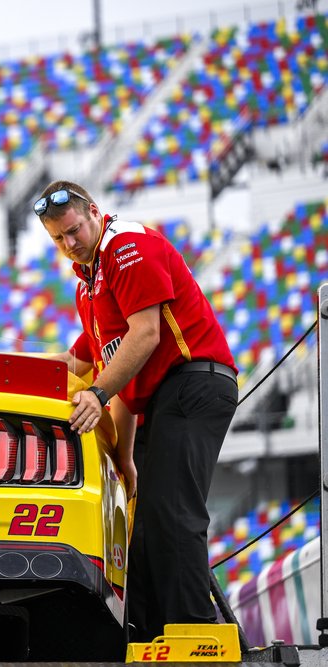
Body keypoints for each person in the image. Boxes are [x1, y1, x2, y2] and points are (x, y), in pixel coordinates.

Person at [35, 181, 238, 642]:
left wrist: (97, 394)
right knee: (141, 525)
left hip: (194, 381)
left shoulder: (125, 246)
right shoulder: (89, 286)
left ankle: (195, 633)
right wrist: (7, 368)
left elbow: (143, 337)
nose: (70, 243)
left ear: (93, 212)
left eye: (74, 229)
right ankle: (147, 634)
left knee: (172, 512)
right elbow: (81, 364)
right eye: (58, 239)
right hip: (159, 402)